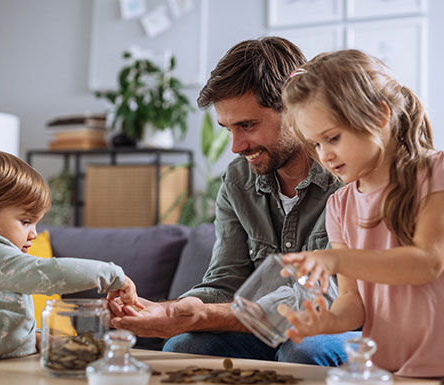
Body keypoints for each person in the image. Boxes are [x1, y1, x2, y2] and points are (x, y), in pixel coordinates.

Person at [110, 37, 359, 366]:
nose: (236, 145)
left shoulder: (348, 177)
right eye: (227, 128)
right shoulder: (238, 181)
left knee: (302, 350)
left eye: (248, 125)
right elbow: (226, 280)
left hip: (339, 325)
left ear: (295, 109)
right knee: (185, 347)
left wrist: (203, 317)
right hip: (261, 330)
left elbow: (326, 298)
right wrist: (171, 310)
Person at [278, 49, 444, 385]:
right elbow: (354, 302)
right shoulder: (339, 206)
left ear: (380, 115)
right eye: (315, 144)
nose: (325, 156)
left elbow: (425, 263)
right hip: (390, 375)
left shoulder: (436, 171)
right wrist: (328, 321)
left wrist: (337, 258)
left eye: (333, 138)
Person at [0, 150, 141, 366]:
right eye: (25, 221)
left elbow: (1, 317)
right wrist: (113, 275)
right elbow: (49, 273)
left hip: (1, 368)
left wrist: (38, 339)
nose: (33, 233)